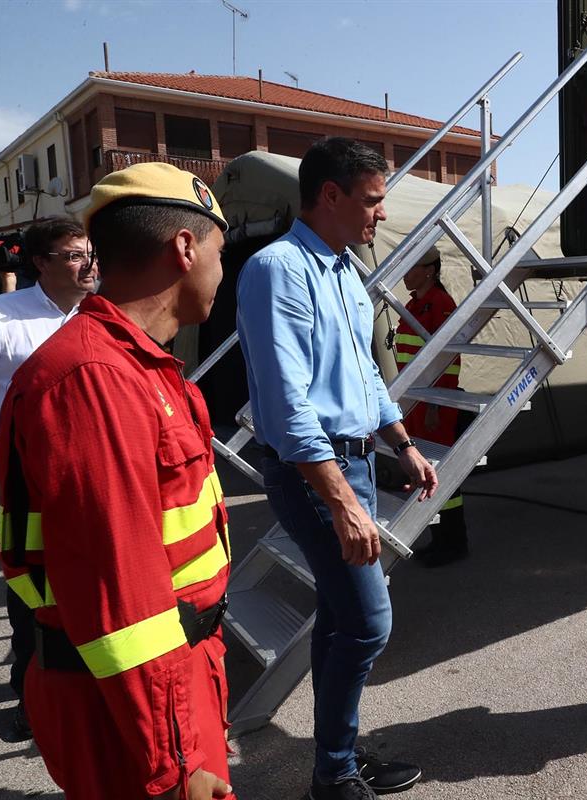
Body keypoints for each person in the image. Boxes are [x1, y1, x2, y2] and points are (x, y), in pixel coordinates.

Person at [0, 162, 234, 799]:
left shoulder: (142, 368)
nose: (221, 268)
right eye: (219, 248)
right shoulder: (96, 380)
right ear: (184, 248)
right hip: (130, 710)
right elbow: (121, 603)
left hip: (164, 686)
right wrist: (175, 758)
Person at [236, 136, 437, 800]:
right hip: (314, 474)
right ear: (331, 195)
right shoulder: (278, 269)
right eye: (373, 201)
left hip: (355, 465)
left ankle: (337, 756)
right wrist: (343, 501)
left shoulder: (346, 270)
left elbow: (366, 377)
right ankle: (333, 772)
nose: (381, 215)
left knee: (342, 617)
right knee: (368, 622)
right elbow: (288, 401)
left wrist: (401, 441)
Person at [0, 215, 97, 740]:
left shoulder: (102, 317)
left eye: (90, 252)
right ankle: (30, 688)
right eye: (74, 255)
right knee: (30, 579)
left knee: (88, 573)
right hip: (20, 469)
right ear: (39, 263)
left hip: (89, 466)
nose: (88, 263)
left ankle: (84, 681)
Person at [393, 245, 469, 567]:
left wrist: (437, 403)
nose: (406, 274)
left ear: (429, 270)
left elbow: (449, 360)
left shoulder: (441, 304)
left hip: (434, 403)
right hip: (417, 402)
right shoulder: (414, 305)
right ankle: (438, 538)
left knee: (441, 473)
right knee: (426, 471)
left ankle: (453, 542)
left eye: (412, 267)